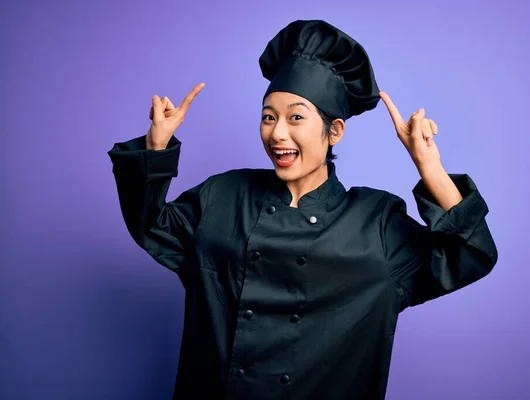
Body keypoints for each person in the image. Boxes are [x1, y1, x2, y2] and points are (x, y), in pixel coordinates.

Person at [108, 19, 498, 400]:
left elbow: (471, 253)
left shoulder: (374, 220)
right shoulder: (225, 194)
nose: (277, 133)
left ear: (335, 131)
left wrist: (429, 167)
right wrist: (155, 148)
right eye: (268, 117)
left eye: (296, 117)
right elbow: (152, 226)